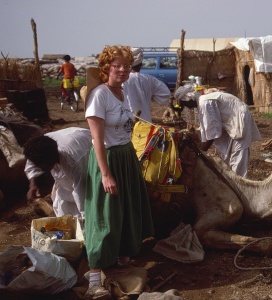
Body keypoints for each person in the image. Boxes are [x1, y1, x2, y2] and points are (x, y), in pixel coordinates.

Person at [83, 45, 154, 299]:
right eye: (117, 65)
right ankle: (93, 278)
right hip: (109, 158)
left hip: (126, 156)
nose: (123, 70)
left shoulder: (122, 93)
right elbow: (97, 140)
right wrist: (105, 174)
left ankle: (123, 261)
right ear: (106, 68)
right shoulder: (99, 95)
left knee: (127, 209)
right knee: (104, 215)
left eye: (126, 65)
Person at [23, 127, 91, 220]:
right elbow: (31, 164)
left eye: (44, 165)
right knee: (64, 214)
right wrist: (33, 186)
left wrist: (85, 218)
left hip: (85, 144)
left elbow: (81, 192)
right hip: (69, 140)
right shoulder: (39, 148)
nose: (42, 169)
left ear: (52, 158)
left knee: (85, 206)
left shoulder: (72, 160)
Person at [192, 89, 261, 178]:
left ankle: (240, 185)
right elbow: (208, 128)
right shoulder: (203, 102)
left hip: (240, 118)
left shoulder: (205, 102)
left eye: (185, 104)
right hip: (232, 121)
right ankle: (231, 181)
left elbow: (212, 132)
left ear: (189, 100)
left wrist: (201, 152)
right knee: (228, 157)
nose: (186, 107)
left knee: (238, 157)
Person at [122, 47, 172, 122]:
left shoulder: (121, 80)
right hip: (146, 126)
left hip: (127, 126)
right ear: (141, 64)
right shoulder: (149, 79)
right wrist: (150, 95)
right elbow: (166, 94)